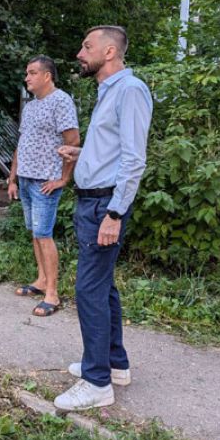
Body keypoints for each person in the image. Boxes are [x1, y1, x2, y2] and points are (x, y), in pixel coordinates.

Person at [53, 26, 153, 412]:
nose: (80, 52)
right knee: (103, 287)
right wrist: (82, 156)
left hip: (103, 207)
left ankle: (96, 383)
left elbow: (134, 159)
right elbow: (113, 149)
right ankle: (114, 364)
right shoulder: (108, 91)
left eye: (87, 46)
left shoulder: (130, 90)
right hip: (93, 201)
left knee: (89, 290)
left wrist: (115, 211)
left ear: (109, 52)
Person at [7, 56, 80, 317]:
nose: (27, 77)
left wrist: (63, 178)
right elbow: (22, 143)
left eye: (32, 72)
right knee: (34, 232)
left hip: (45, 181)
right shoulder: (31, 106)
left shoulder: (61, 101)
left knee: (44, 233)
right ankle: (40, 281)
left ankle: (53, 293)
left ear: (47, 76)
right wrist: (13, 178)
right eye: (27, 73)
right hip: (26, 178)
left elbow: (73, 141)